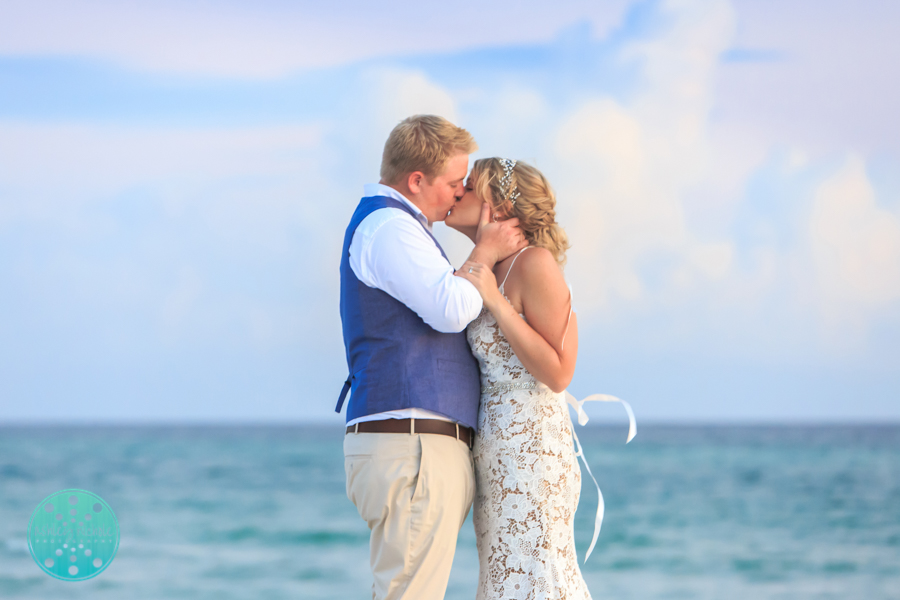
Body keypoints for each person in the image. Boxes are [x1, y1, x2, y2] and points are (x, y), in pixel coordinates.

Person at [337, 116, 527, 600]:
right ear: (417, 181)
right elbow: (452, 310)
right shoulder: (389, 227)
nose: (460, 193)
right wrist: (483, 252)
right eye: (453, 182)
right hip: (412, 446)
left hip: (414, 445)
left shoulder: (397, 227)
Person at [448, 158, 635, 599]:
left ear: (497, 205)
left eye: (469, 186)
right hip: (495, 455)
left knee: (538, 575)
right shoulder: (485, 264)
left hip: (533, 452)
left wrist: (495, 302)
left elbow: (558, 371)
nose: (457, 191)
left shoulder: (534, 263)